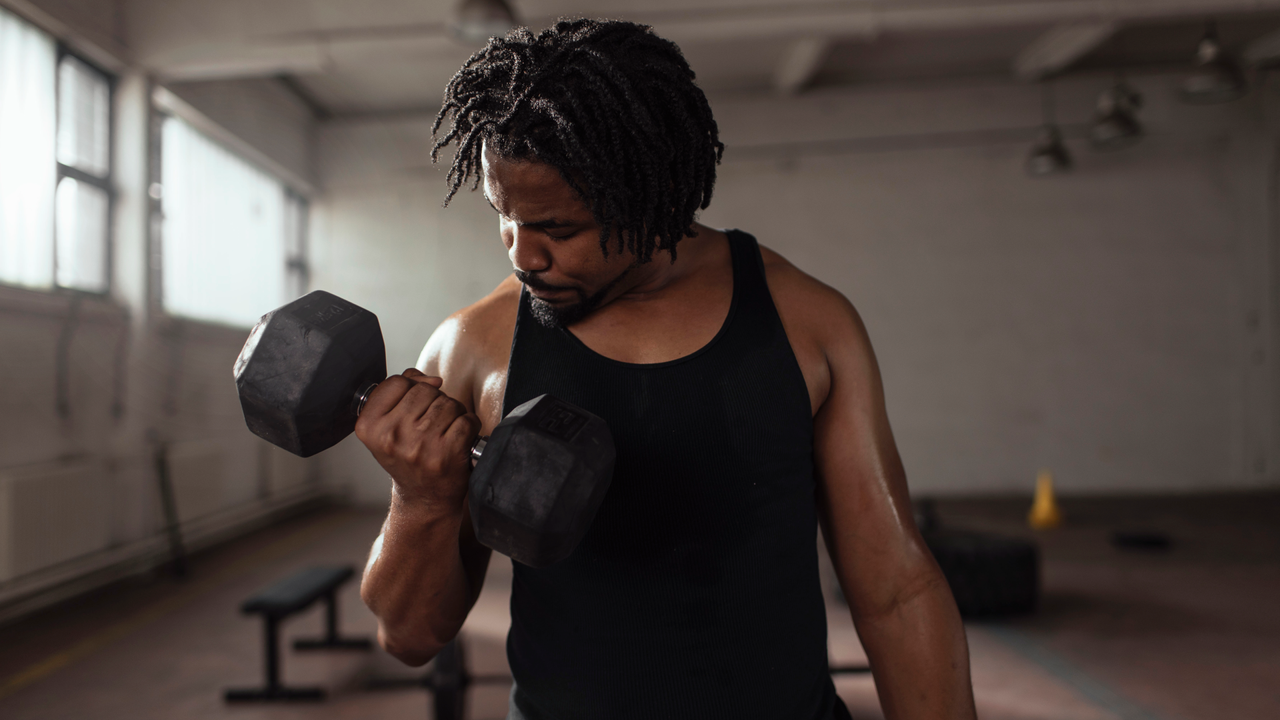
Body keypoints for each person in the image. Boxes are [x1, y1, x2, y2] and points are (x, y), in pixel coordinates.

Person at [356, 18, 977, 720]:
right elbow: (408, 637)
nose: (522, 256)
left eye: (558, 229)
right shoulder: (476, 346)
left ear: (654, 204)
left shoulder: (808, 324)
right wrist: (422, 502)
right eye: (505, 217)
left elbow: (897, 591)